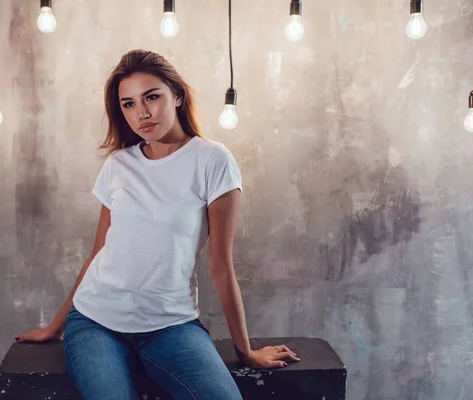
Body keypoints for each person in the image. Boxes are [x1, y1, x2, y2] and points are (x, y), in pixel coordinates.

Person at [16, 49, 300, 399]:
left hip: (170, 325)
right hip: (95, 322)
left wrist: (246, 351)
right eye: (129, 104)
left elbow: (221, 266)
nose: (142, 113)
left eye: (152, 97)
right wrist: (55, 326)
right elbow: (98, 252)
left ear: (177, 95)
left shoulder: (212, 161)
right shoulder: (119, 166)